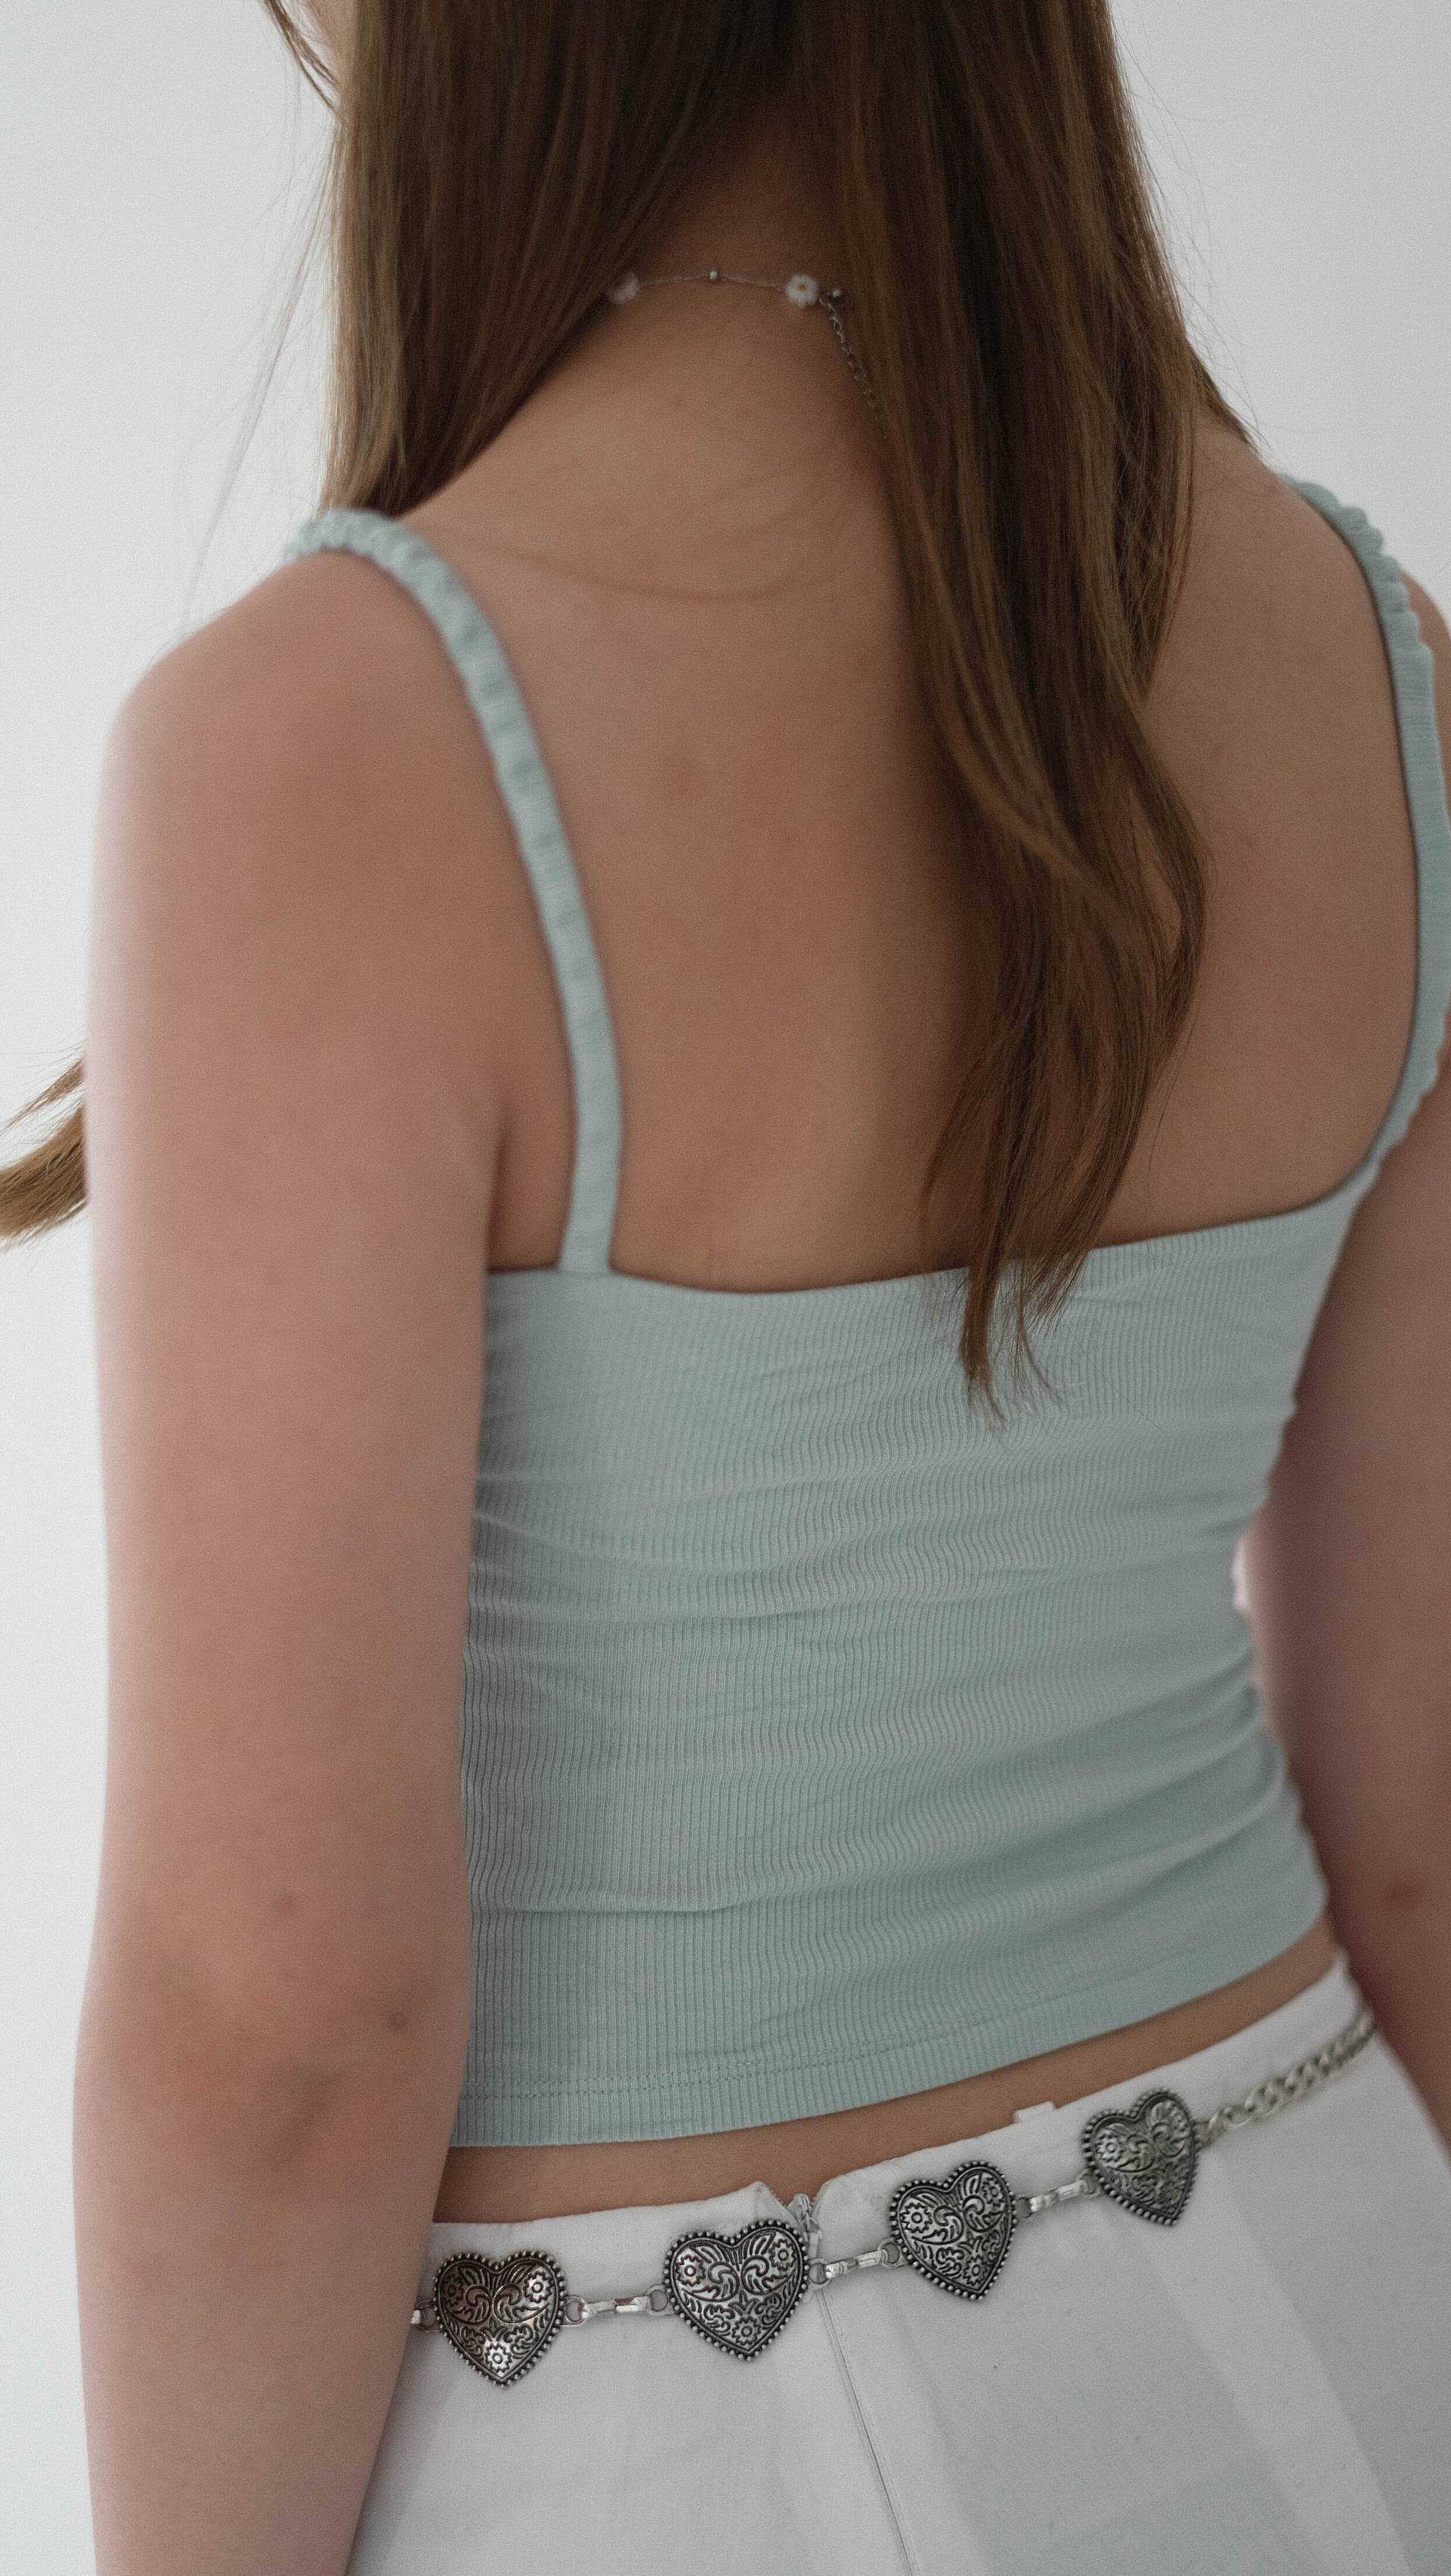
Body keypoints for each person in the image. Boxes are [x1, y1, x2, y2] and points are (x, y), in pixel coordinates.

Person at [5, 2, 1448, 2568]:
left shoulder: (329, 746)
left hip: (659, 2454)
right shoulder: (1378, 658)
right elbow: (1421, 1826)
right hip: (1356, 2311)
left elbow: (285, 2028)